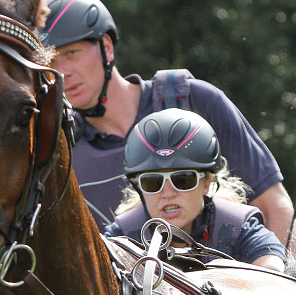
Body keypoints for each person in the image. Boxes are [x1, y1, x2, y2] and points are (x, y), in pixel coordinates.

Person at [40, 0, 296, 257]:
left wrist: (283, 290)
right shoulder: (58, 148)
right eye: (49, 60)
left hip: (238, 287)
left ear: (106, 47)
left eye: (71, 53)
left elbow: (274, 207)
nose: (62, 71)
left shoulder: (196, 101)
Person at [105, 109, 285, 272]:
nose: (167, 193)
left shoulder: (236, 227)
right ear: (139, 189)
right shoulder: (121, 236)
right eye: (152, 182)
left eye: (182, 180)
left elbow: (272, 265)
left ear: (207, 182)